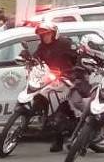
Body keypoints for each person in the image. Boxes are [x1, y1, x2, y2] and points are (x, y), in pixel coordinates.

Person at [33, 24, 80, 152]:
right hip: (50, 80)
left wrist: (74, 71)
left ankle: (63, 138)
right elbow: (35, 57)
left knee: (62, 108)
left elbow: (78, 58)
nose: (45, 37)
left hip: (67, 79)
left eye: (47, 34)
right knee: (46, 104)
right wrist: (28, 58)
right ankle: (46, 126)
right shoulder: (42, 46)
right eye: (42, 35)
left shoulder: (65, 43)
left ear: (54, 34)